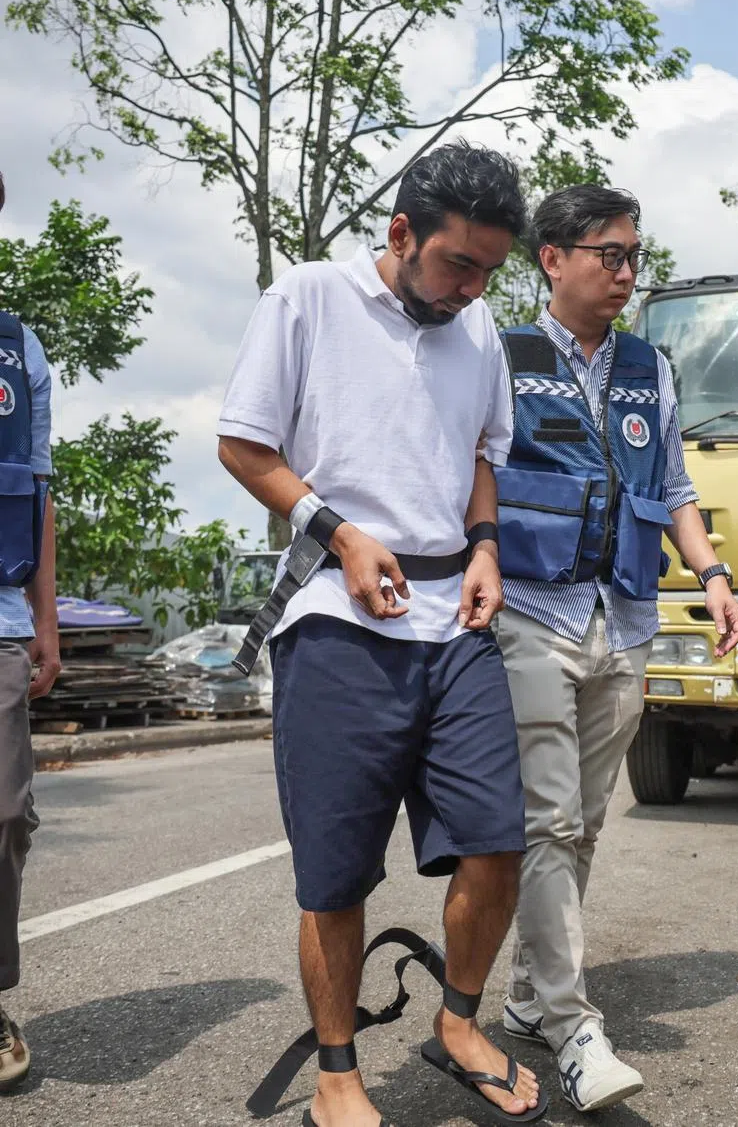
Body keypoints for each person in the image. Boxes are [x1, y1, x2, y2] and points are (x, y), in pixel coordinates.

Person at [217, 142, 545, 1127]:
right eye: (458, 264)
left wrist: (484, 546)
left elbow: (482, 454)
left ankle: (458, 1022)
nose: (473, 288)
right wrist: (342, 534)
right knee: (335, 869)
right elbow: (243, 443)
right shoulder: (308, 298)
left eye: (490, 271)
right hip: (336, 618)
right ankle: (336, 1078)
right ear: (402, 233)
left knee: (497, 843)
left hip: (456, 625)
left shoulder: (476, 328)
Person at [494, 184, 738, 1112]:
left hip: (626, 618)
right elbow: (471, 474)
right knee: (550, 821)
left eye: (636, 255)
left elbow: (674, 484)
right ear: (552, 258)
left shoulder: (650, 366)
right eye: (611, 254)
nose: (628, 272)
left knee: (587, 821)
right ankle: (572, 1027)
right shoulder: (499, 356)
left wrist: (712, 574)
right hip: (531, 612)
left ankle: (528, 995)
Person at [0, 171, 61, 1091]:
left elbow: (38, 487)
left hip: (1, 618)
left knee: (4, 811)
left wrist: (47, 619)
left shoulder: (19, 349)